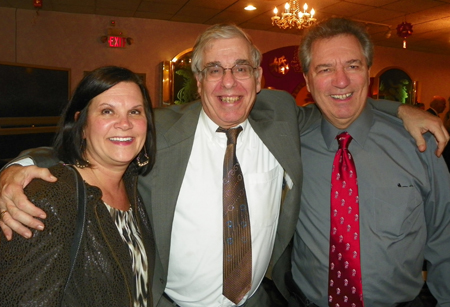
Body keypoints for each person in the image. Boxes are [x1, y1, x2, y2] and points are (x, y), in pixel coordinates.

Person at [0, 24, 448, 307]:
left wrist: (400, 110)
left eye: (240, 68)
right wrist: (18, 166)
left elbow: (342, 101)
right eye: (214, 69)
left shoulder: (282, 118)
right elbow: (95, 140)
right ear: (197, 80)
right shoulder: (156, 129)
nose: (229, 83)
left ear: (259, 77)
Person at [276, 18, 450, 306]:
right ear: (307, 80)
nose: (341, 80)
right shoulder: (290, 143)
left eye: (353, 66)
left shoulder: (418, 143)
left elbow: (445, 235)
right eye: (325, 68)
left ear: (368, 72)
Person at [0, 66, 156, 306]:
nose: (124, 123)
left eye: (135, 111)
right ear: (81, 124)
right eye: (107, 111)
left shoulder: (132, 188)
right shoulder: (50, 199)